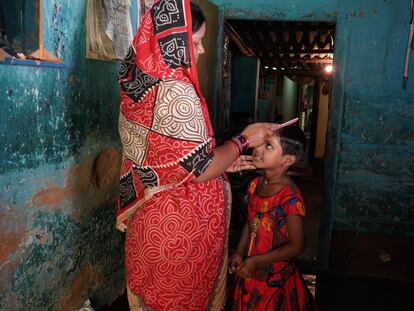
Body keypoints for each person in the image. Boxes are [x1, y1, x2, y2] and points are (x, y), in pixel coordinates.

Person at [116, 1, 280, 310]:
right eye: (195, 42)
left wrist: (226, 161)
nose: (201, 50)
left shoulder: (138, 85)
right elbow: (200, 167)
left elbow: (172, 160)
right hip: (178, 235)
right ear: (172, 40)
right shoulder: (176, 91)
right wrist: (244, 140)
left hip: (151, 224)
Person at [229, 126, 316, 311]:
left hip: (274, 276)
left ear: (288, 160)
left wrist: (256, 261)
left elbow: (296, 246)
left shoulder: (289, 197)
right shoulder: (254, 185)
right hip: (250, 268)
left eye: (268, 146)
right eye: (260, 144)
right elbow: (251, 223)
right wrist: (240, 251)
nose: (258, 150)